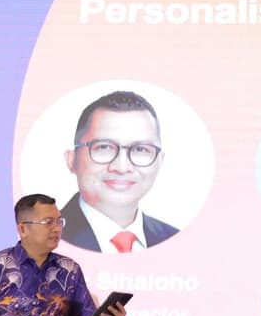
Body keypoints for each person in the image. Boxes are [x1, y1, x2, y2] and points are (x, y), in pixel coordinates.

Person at [58, 90, 179, 253]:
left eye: (140, 149)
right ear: (72, 160)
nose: (121, 167)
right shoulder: (40, 240)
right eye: (104, 147)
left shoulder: (177, 242)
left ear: (159, 162)